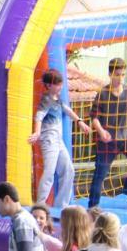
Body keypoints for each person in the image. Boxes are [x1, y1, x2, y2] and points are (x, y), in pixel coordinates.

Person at [28, 69, 90, 208]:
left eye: (61, 84)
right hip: (49, 139)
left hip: (58, 140)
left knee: (69, 170)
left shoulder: (58, 99)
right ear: (49, 85)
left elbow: (68, 110)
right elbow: (39, 116)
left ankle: (61, 205)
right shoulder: (46, 99)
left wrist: (80, 121)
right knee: (49, 171)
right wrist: (37, 132)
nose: (60, 86)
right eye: (57, 84)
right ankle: (40, 205)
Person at [87, 57, 127, 208]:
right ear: (110, 74)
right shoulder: (103, 94)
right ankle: (92, 207)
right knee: (100, 175)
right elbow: (94, 118)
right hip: (107, 141)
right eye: (117, 74)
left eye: (122, 74)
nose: (120, 78)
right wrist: (101, 131)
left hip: (124, 137)